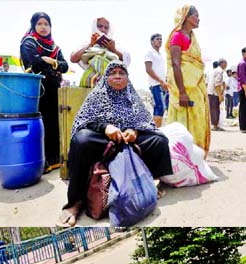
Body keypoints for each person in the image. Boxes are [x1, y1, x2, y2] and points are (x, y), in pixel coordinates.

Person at [58, 61, 171, 227]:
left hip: (128, 142)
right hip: (103, 142)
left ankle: (153, 182)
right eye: (113, 73)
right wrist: (105, 127)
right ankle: (75, 203)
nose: (117, 76)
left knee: (159, 140)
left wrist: (134, 131)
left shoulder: (133, 97)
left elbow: (145, 122)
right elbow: (84, 121)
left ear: (127, 77)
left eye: (121, 73)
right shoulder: (97, 95)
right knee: (81, 140)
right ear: (106, 78)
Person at [20, 12, 69, 173]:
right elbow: (34, 61)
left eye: (46, 24)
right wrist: (53, 65)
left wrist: (51, 61)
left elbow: (65, 66)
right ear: (34, 25)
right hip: (36, 89)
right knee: (40, 123)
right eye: (40, 23)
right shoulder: (29, 41)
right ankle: (41, 161)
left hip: (54, 89)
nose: (43, 27)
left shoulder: (54, 47)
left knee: (54, 123)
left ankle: (55, 159)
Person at [167, 5, 211, 155]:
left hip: (196, 87)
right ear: (186, 16)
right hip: (184, 89)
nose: (199, 19)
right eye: (196, 15)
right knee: (183, 123)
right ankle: (182, 157)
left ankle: (196, 155)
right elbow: (175, 64)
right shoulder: (177, 36)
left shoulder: (193, 38)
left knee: (198, 119)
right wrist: (182, 92)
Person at [71, 17, 130, 88]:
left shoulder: (115, 44)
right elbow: (73, 59)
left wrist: (113, 50)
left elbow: (126, 60)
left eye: (106, 27)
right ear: (94, 27)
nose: (103, 30)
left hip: (110, 84)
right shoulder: (87, 43)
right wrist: (90, 45)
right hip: (89, 83)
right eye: (100, 26)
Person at [144, 33, 169, 127]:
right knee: (159, 107)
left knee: (164, 108)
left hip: (163, 85)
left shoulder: (161, 55)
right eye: (157, 39)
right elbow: (148, 69)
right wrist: (161, 81)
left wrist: (165, 81)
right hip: (155, 84)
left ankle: (157, 130)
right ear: (152, 41)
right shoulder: (149, 53)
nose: (160, 41)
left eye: (161, 39)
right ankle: (156, 131)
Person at [207, 59, 226, 130]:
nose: (226, 65)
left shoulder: (213, 71)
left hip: (210, 92)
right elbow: (217, 84)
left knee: (213, 109)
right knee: (215, 109)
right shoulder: (219, 71)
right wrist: (220, 95)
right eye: (225, 63)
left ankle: (214, 125)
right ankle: (215, 125)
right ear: (221, 63)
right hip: (214, 93)